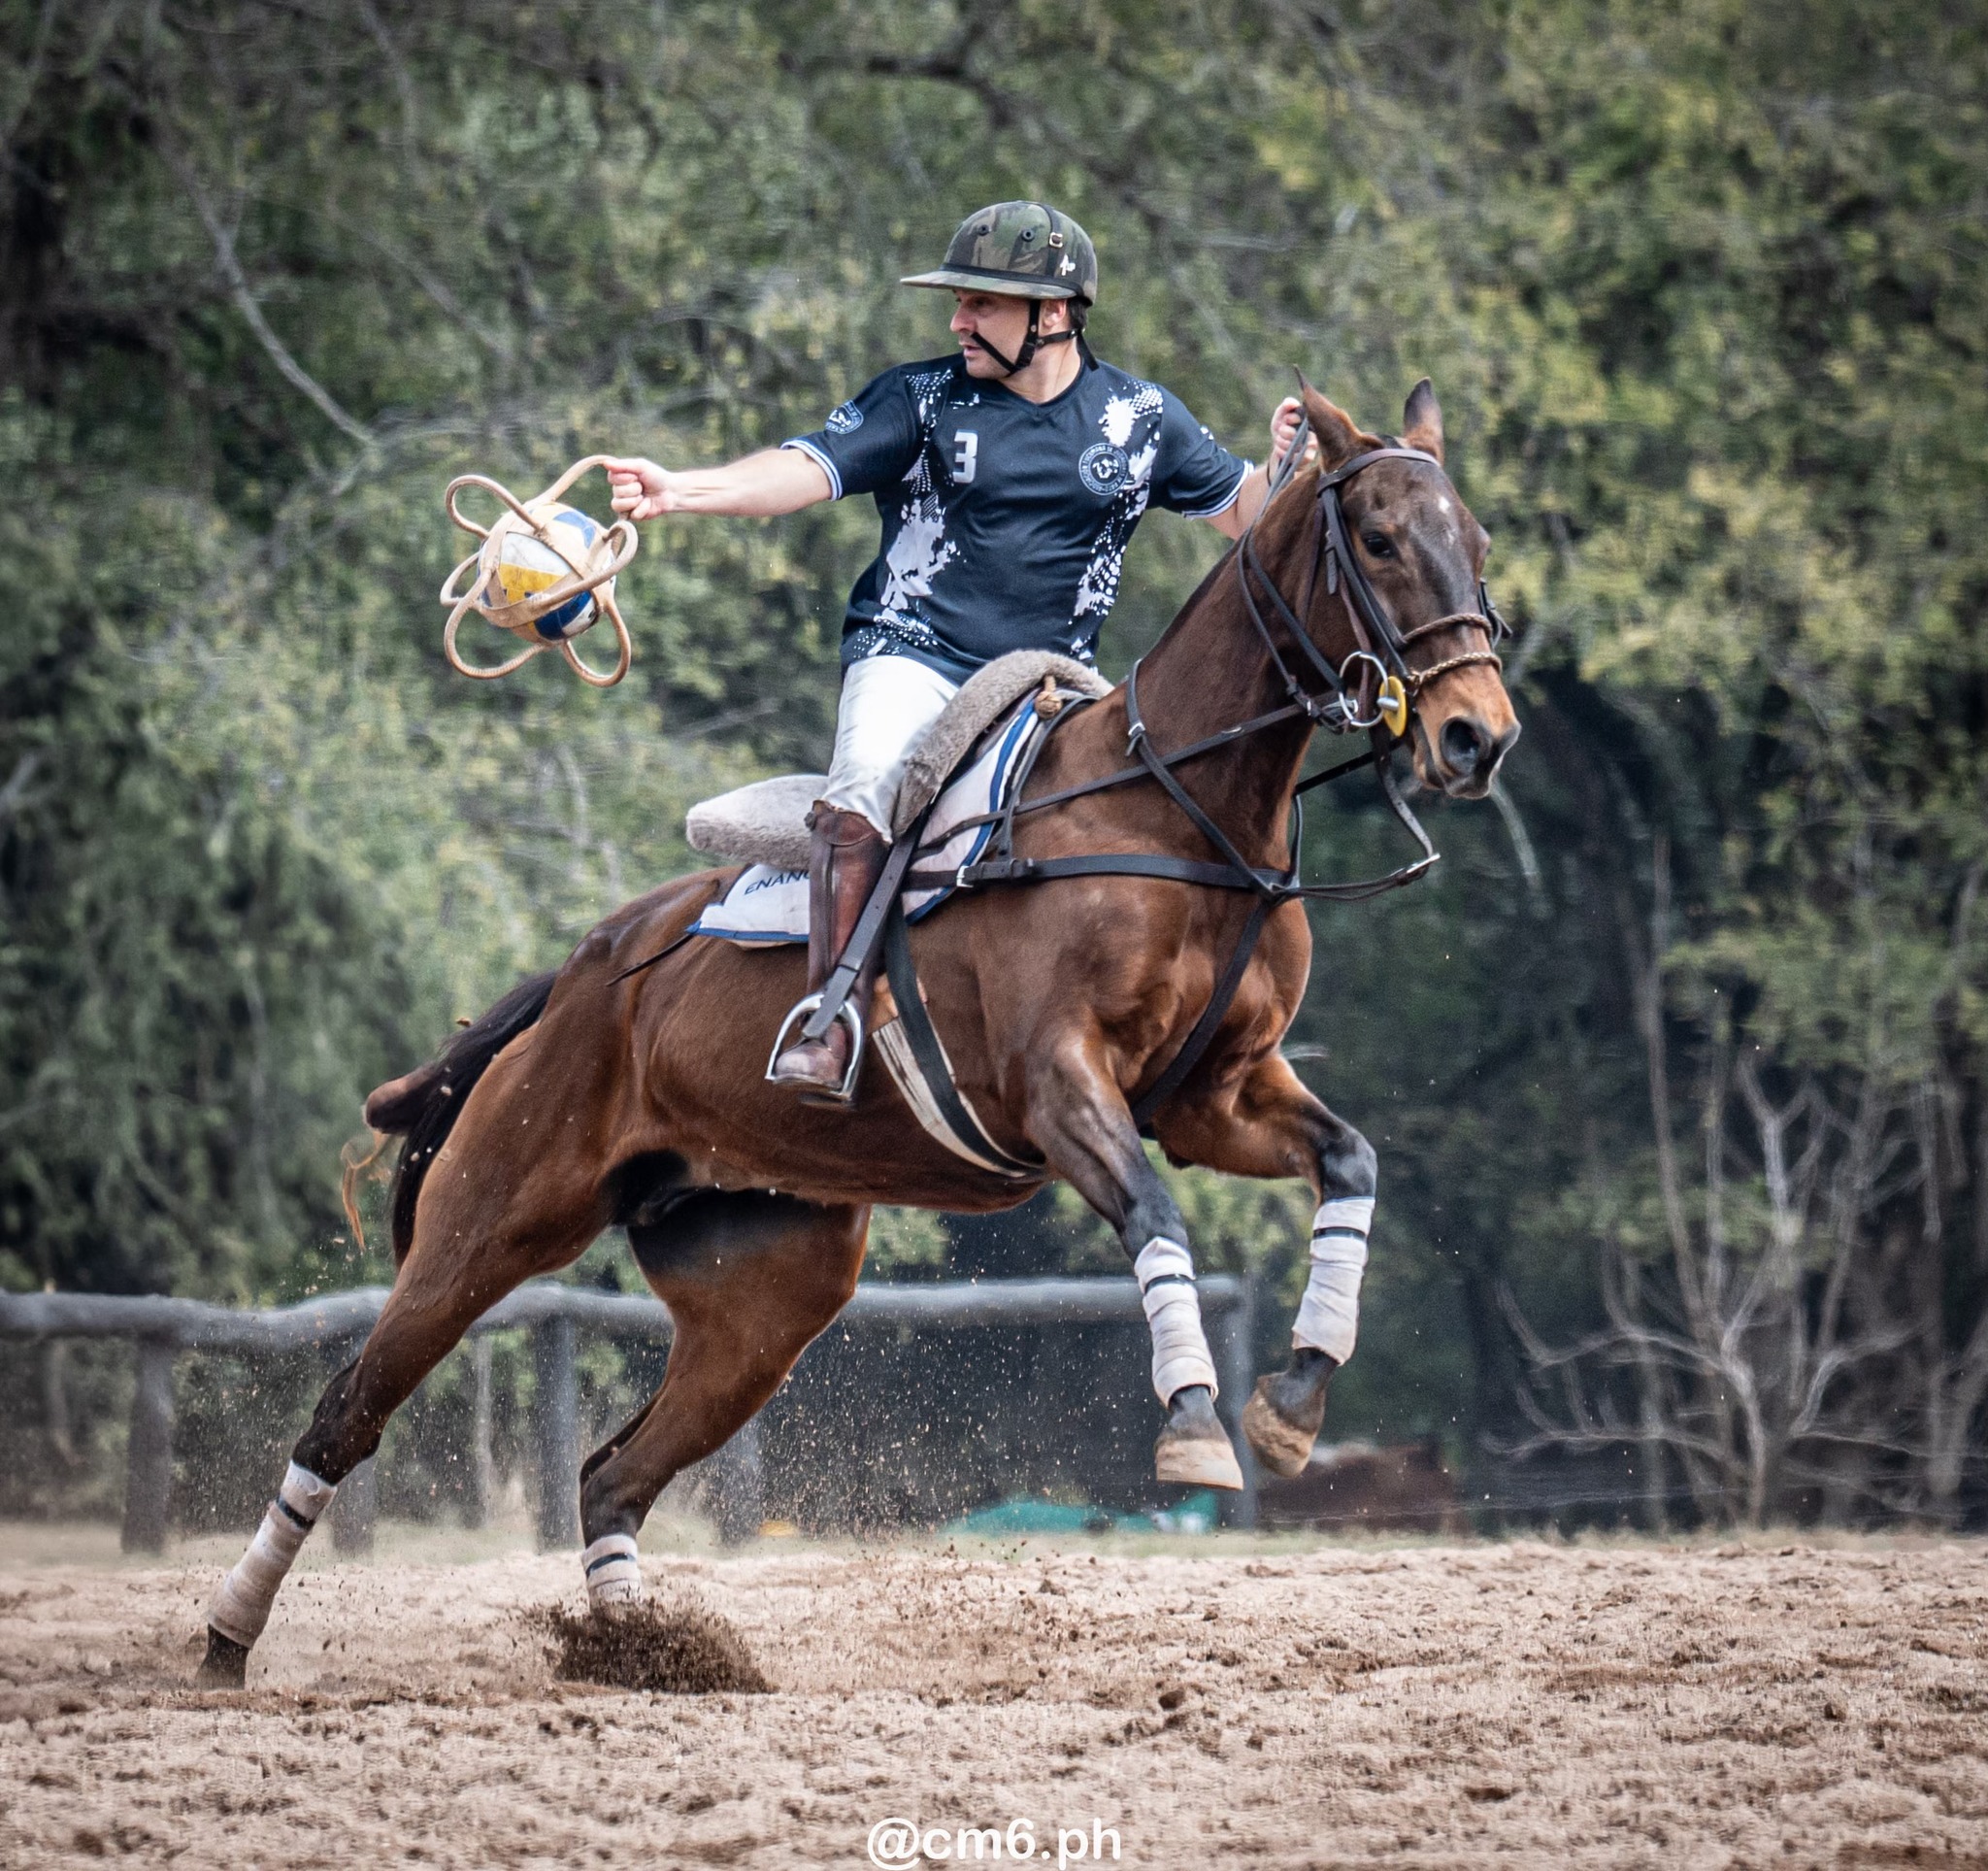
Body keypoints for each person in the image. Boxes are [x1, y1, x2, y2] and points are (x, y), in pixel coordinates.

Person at [605, 202, 1306, 1096]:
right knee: (864, 783)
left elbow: (1246, 516)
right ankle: (830, 1014)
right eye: (960, 301)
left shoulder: (1140, 417)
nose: (958, 321)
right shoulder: (922, 399)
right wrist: (681, 491)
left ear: (1052, 315)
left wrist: (1279, 465)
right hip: (914, 653)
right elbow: (800, 472)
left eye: (982, 303)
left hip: (1048, 688)